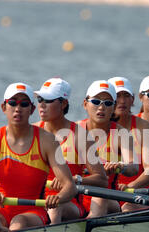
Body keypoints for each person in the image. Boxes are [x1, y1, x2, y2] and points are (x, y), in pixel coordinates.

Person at [0, 82, 77, 231]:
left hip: (33, 211)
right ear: (4, 108)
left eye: (24, 104)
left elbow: (70, 186)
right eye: (12, 103)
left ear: (32, 109)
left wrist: (58, 198)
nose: (18, 109)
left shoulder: (47, 141)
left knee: (19, 222)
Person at [33, 78, 108, 223]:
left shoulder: (80, 136)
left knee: (54, 207)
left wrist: (76, 180)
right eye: (40, 99)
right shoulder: (33, 131)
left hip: (69, 202)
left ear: (63, 104)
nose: (42, 104)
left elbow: (102, 179)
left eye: (48, 100)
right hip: (36, 201)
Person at [77, 80, 138, 217]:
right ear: (85, 104)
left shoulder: (121, 134)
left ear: (114, 107)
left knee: (100, 197)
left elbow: (133, 167)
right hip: (75, 197)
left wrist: (121, 166)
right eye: (96, 101)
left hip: (108, 197)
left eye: (108, 103)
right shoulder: (73, 131)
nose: (101, 107)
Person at [107, 76, 149, 211]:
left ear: (133, 99)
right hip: (105, 192)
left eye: (126, 96)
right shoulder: (95, 127)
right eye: (118, 96)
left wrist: (131, 186)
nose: (122, 101)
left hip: (136, 192)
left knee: (127, 208)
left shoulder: (143, 127)